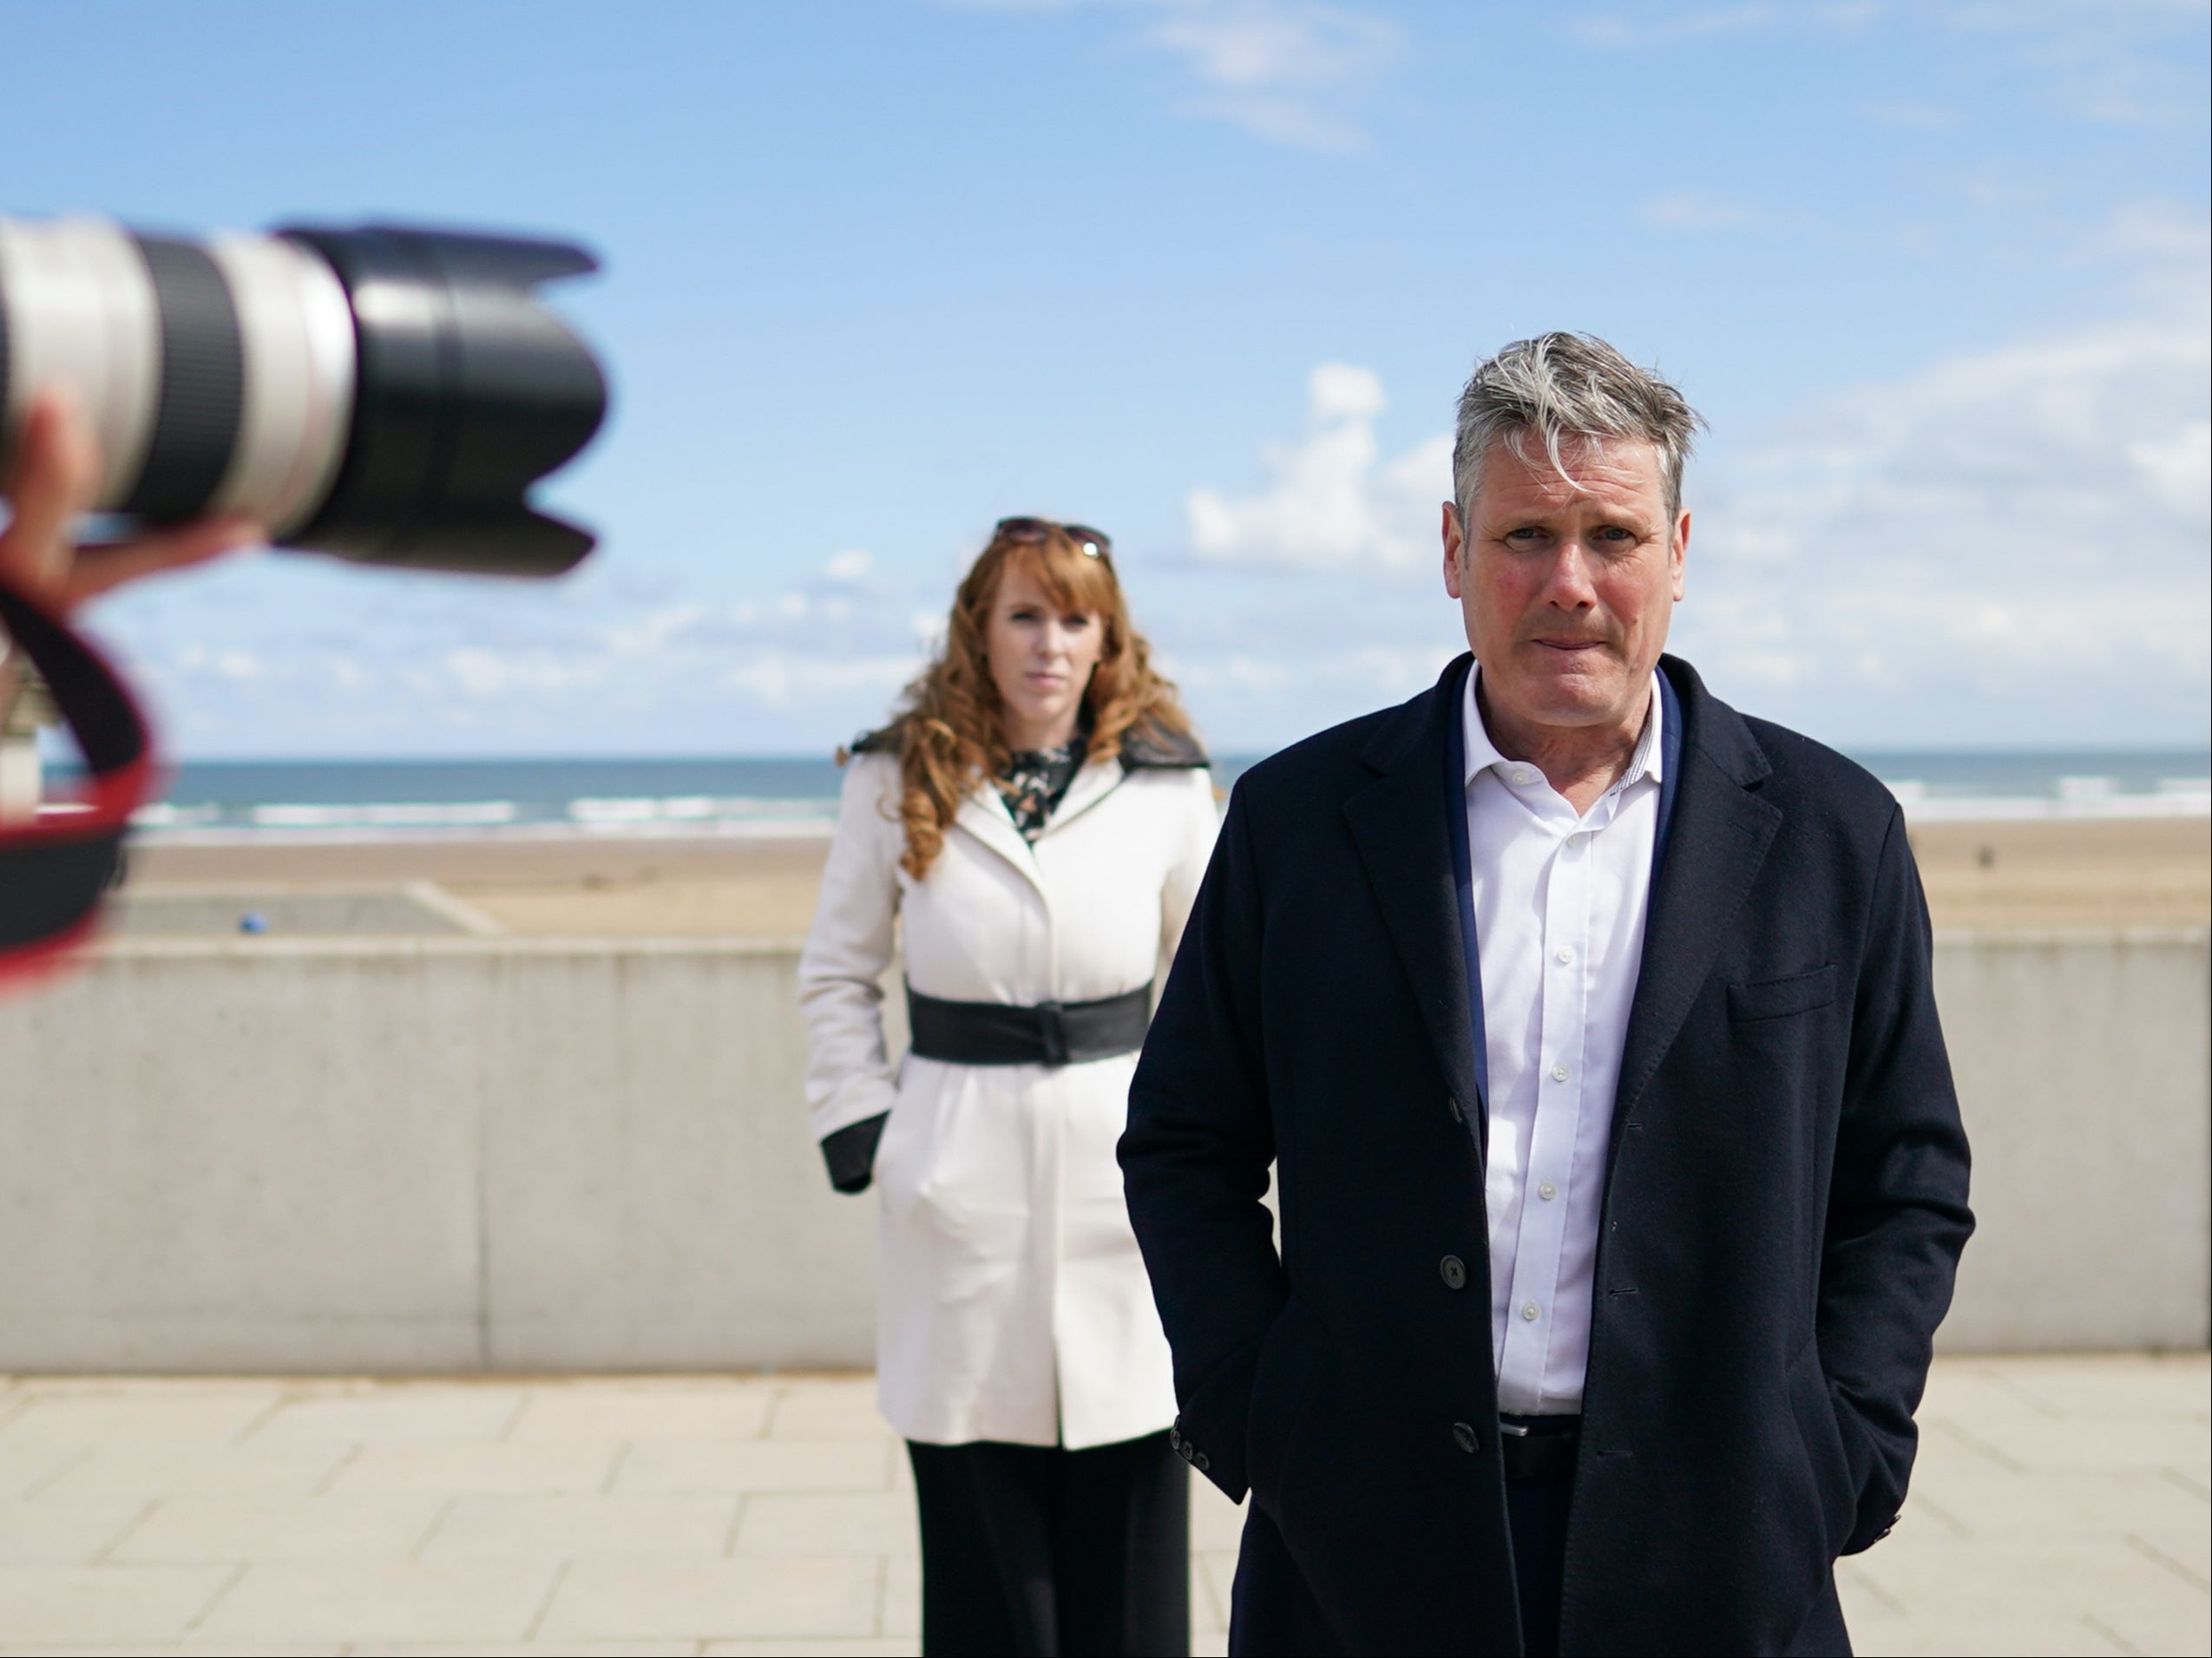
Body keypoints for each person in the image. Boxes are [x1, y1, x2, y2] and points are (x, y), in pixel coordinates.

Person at [1119, 334, 1973, 1656]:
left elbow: (1904, 1178)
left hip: (1726, 1551)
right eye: (1526, 533)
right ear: (1453, 549)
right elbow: (1184, 1140)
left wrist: (1837, 1451)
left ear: (1678, 553)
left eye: (1611, 536)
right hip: (1358, 1551)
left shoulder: (1827, 833)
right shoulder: (1299, 823)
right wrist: (1257, 1410)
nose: (1567, 584)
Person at [798, 516, 1218, 1656]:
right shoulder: (894, 773)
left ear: (1106, 639)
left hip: (1118, 1188)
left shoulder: (1168, 784)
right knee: (986, 1561)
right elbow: (837, 975)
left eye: (1073, 618)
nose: (1048, 643)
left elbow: (1214, 993)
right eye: (1023, 615)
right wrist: (872, 1135)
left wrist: (1203, 1163)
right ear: (977, 632)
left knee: (1131, 1553)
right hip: (953, 1173)